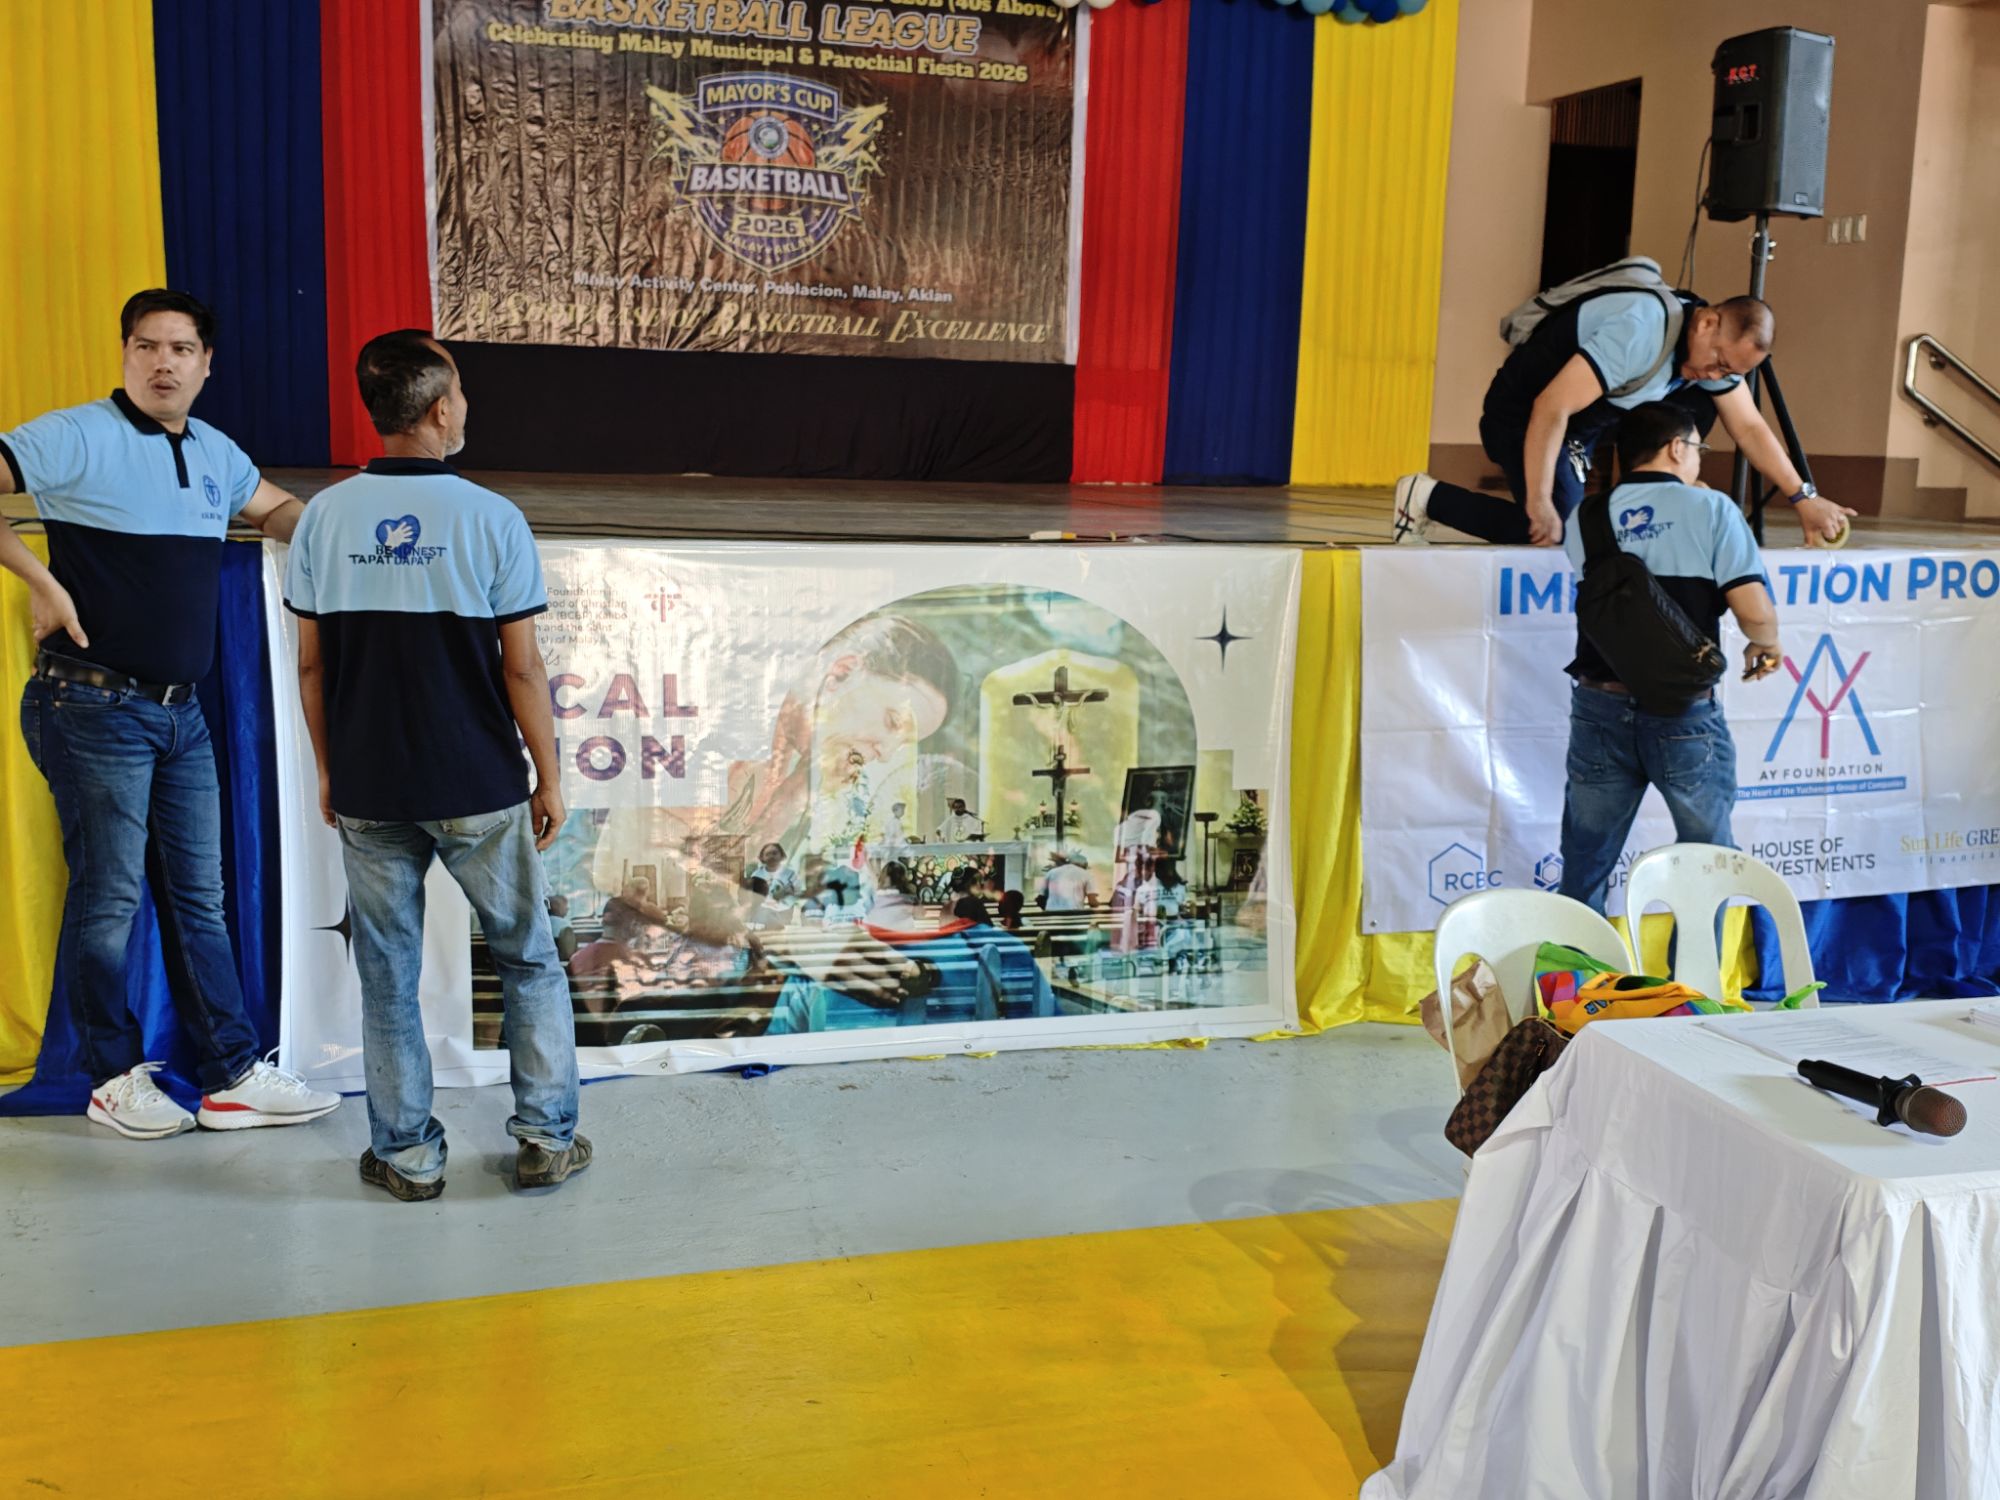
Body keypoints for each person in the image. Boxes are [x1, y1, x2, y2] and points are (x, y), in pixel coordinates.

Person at [0, 288, 340, 1139]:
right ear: (124, 353)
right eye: (147, 346)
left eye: (181, 349)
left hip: (180, 716)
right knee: (109, 898)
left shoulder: (215, 451)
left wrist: (344, 533)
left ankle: (231, 1076)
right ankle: (110, 1078)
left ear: (205, 364)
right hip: (90, 704)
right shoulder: (76, 435)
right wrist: (42, 581)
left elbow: (277, 509)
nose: (163, 363)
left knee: (200, 900)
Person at [285, 329, 586, 1200]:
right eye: (461, 395)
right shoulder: (492, 517)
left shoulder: (324, 517)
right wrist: (549, 776)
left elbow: (313, 668)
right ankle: (545, 1139)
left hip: (371, 784)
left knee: (387, 975)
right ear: (440, 409)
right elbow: (521, 669)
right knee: (528, 958)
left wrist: (330, 769)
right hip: (478, 783)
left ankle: (408, 1156)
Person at [1394, 292, 1855, 548]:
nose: (1716, 375)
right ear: (1707, 323)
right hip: (1521, 414)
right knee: (1556, 532)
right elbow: (1550, 407)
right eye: (1718, 361)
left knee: (1583, 531)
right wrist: (1539, 500)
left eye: (1729, 372)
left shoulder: (1711, 356)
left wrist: (1805, 499)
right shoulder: (1641, 331)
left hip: (1579, 428)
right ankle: (1428, 498)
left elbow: (1750, 427)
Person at [1557, 402, 1783, 913]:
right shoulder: (1713, 510)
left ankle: (1575, 963)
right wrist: (1767, 643)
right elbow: (1754, 611)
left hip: (1599, 705)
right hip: (1681, 711)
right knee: (1708, 860)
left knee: (1585, 860)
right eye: (1698, 448)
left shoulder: (1585, 516)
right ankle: (1697, 966)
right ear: (1677, 448)